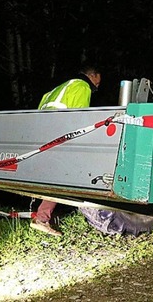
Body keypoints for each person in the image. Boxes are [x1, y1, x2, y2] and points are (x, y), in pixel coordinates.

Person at [30, 66, 102, 236]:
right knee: (64, 176)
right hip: (60, 136)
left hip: (43, 136)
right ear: (93, 75)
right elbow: (79, 117)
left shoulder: (57, 89)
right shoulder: (82, 86)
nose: (98, 84)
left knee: (54, 177)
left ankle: (41, 216)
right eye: (99, 79)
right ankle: (42, 218)